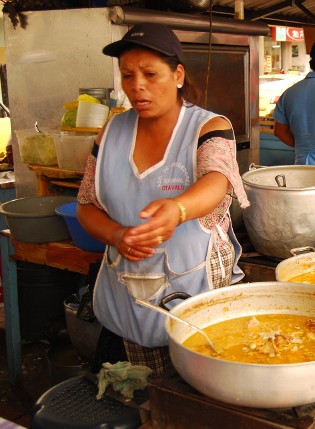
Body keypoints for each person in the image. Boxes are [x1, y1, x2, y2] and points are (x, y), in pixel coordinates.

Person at [76, 23, 249, 376]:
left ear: (178, 74)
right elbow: (86, 204)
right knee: (147, 389)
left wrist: (178, 209)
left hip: (196, 280)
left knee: (205, 378)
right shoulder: (111, 131)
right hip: (129, 282)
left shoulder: (208, 126)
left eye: (150, 74)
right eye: (127, 75)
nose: (137, 85)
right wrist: (116, 235)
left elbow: (217, 180)